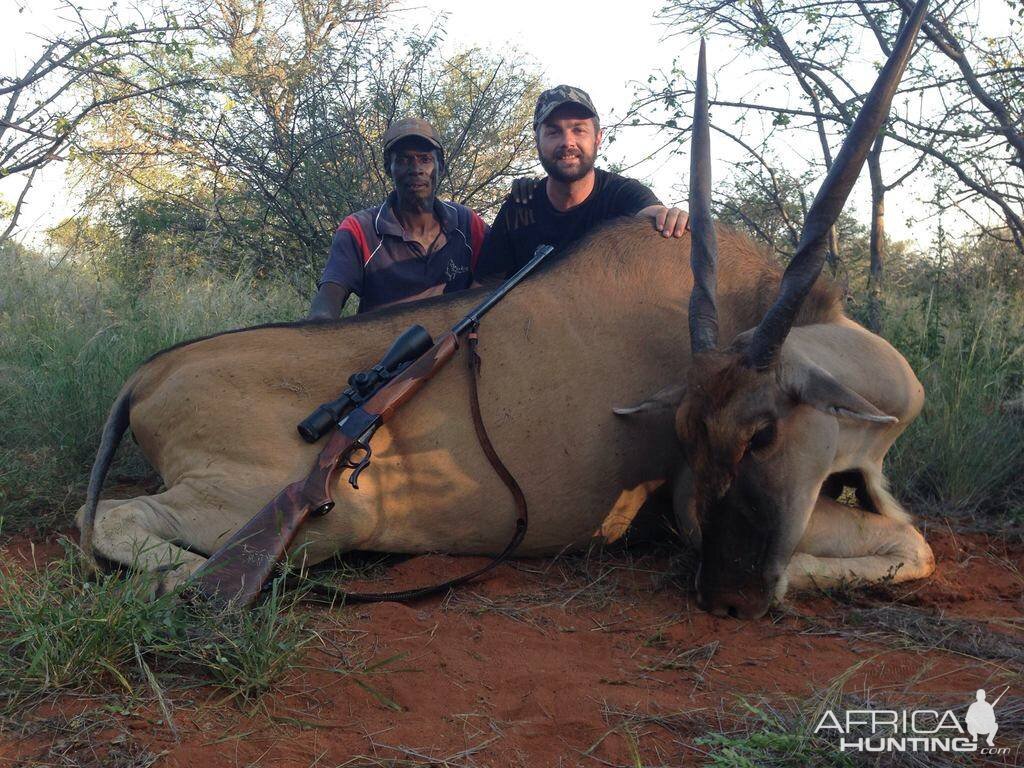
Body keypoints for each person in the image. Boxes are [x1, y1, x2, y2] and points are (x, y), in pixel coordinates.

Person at [474, 85, 689, 281]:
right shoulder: (518, 207)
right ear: (537, 142)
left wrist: (668, 218)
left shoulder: (624, 194)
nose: (567, 142)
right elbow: (482, 290)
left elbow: (652, 213)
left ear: (598, 138)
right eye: (553, 131)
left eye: (578, 130)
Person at [308, 117, 488, 319]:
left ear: (441, 167)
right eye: (403, 160)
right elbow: (330, 293)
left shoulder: (467, 223)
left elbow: (501, 274)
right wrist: (318, 325)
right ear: (388, 168)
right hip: (384, 348)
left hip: (455, 346)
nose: (415, 169)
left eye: (425, 159)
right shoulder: (359, 229)